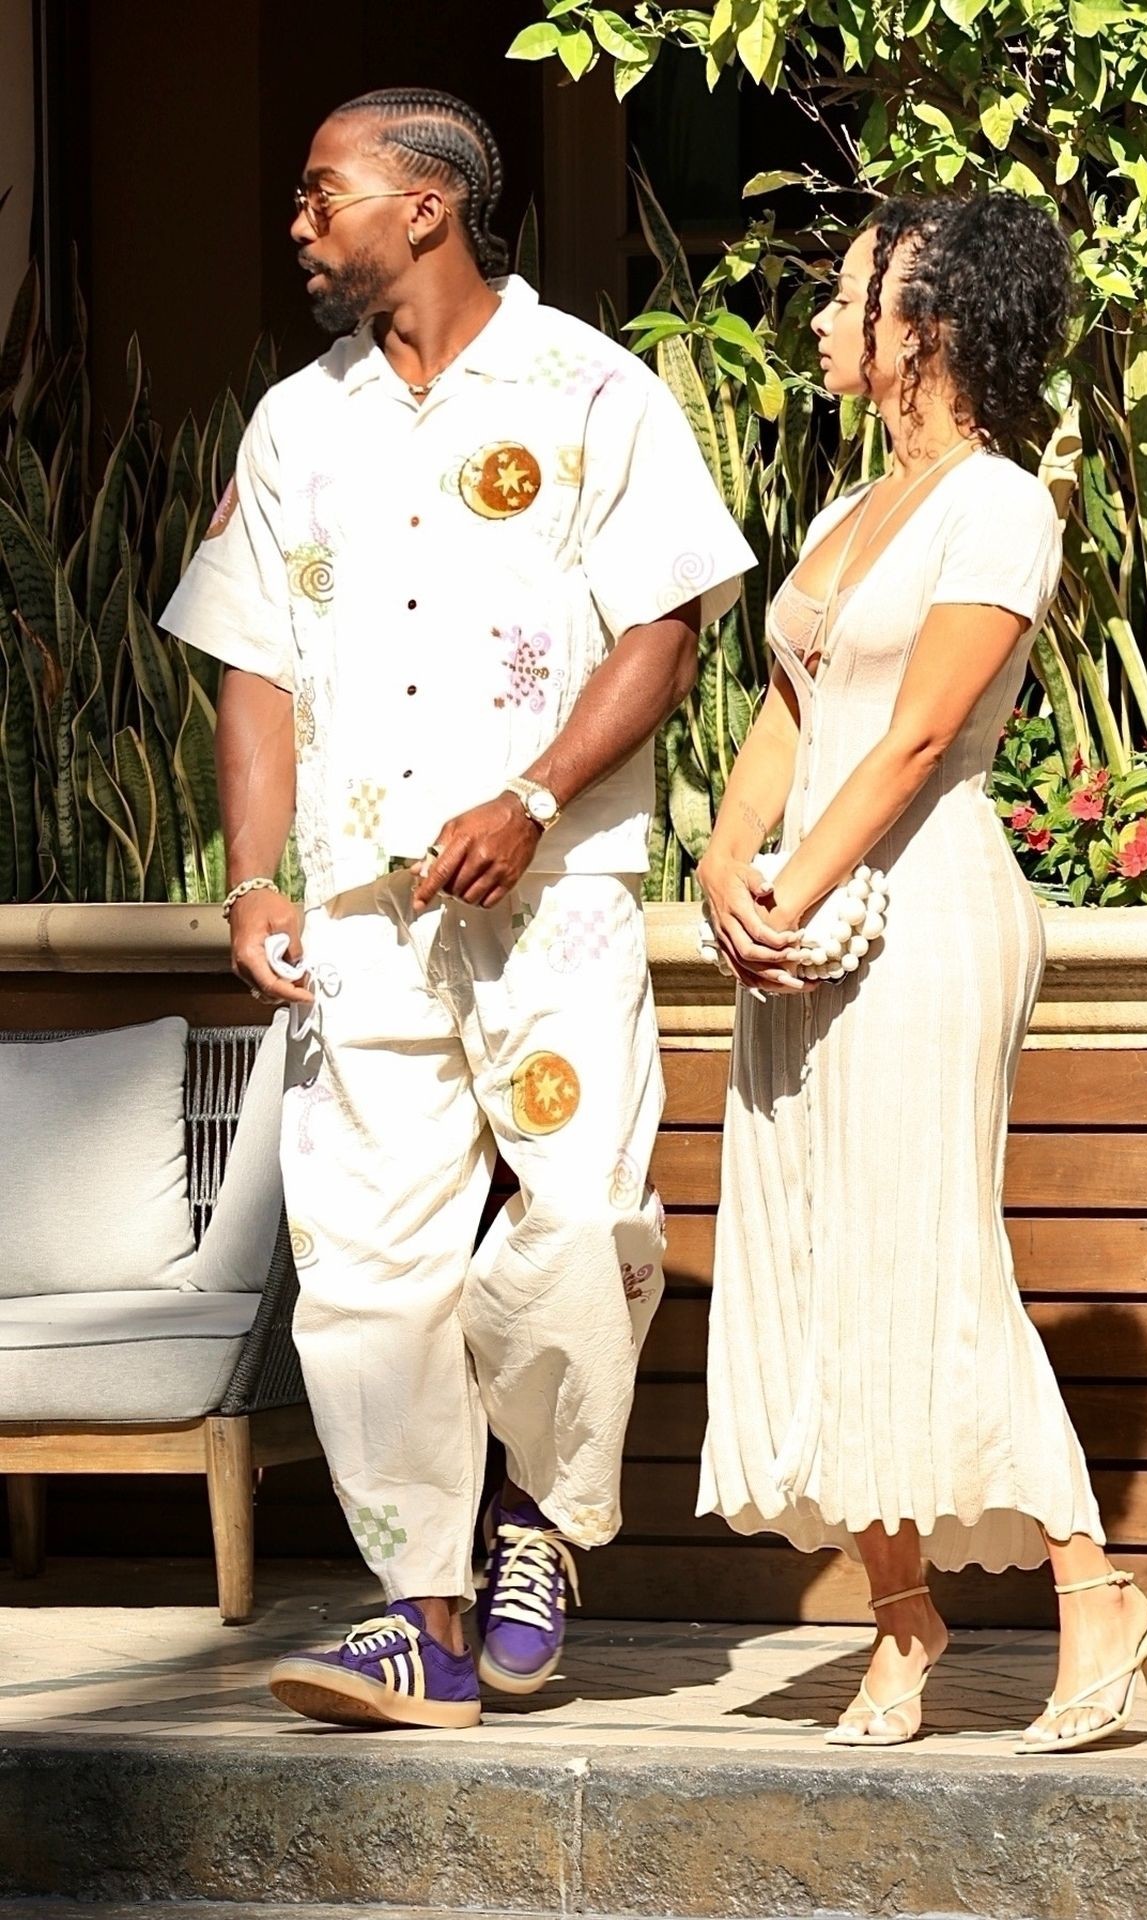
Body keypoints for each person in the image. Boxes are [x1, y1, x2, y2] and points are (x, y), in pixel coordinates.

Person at [162, 87, 754, 1730]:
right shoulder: (295, 425)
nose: (298, 223)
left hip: (555, 894)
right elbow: (253, 664)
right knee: (364, 1261)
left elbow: (665, 627)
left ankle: (536, 1520)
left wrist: (536, 796)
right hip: (361, 915)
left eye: (323, 193)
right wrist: (255, 878)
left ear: (424, 206)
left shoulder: (592, 389)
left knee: (582, 1216)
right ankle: (419, 1611)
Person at [696, 193, 1147, 1756]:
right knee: (821, 1259)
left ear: (929, 324)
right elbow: (789, 714)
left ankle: (1099, 1596)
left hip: (925, 910)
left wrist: (790, 893)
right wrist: (725, 865)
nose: (828, 322)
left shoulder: (1000, 507)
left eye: (853, 296)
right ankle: (902, 1624)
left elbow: (912, 740)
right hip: (804, 921)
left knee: (931, 1256)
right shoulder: (847, 513)